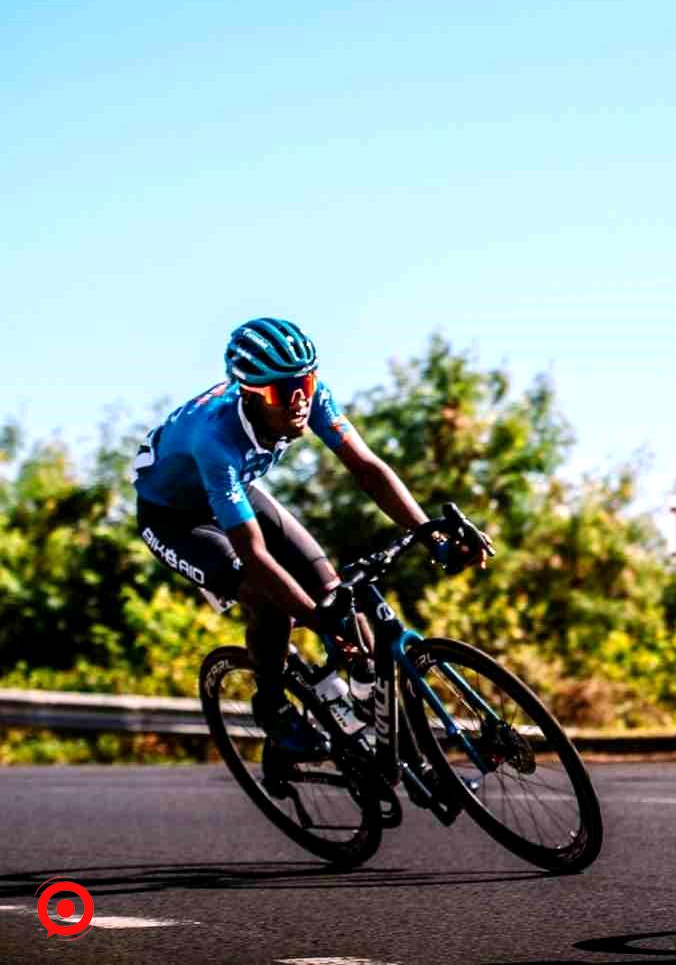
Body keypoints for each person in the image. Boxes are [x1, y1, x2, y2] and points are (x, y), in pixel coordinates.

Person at [131, 317, 487, 768]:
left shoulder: (309, 396)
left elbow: (366, 466)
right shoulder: (214, 440)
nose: (300, 400)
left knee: (336, 593)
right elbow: (255, 555)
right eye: (284, 392)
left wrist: (427, 532)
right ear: (252, 394)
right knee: (268, 598)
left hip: (235, 491)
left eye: (307, 381)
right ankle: (273, 707)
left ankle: (362, 702)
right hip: (175, 519)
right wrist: (319, 622)